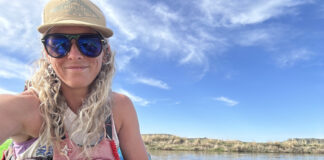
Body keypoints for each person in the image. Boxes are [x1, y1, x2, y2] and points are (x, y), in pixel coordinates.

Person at [0, 0, 149, 159]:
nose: (74, 55)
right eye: (59, 44)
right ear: (46, 54)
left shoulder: (120, 107)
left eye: (89, 44)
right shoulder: (26, 108)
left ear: (105, 52)